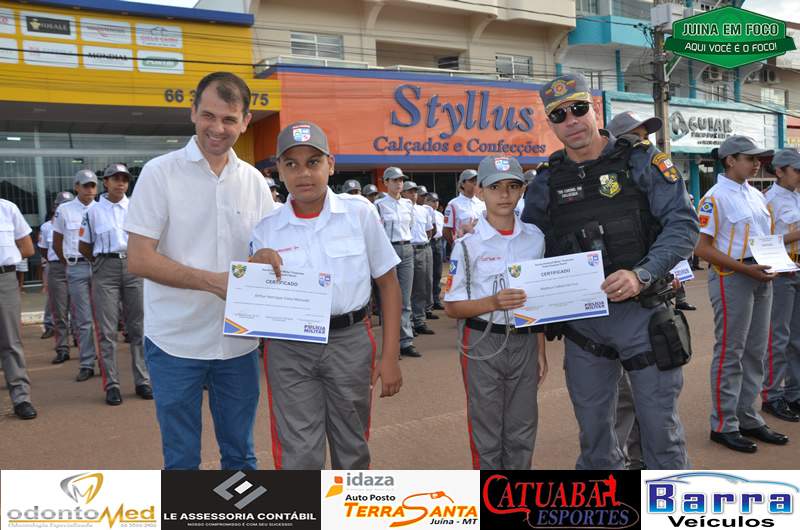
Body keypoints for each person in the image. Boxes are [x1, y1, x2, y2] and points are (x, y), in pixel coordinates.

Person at [522, 73, 698, 469]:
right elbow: (530, 246)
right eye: (559, 115)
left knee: (660, 435)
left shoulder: (642, 160)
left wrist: (642, 273)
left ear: (595, 109)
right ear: (551, 124)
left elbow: (683, 225)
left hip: (643, 315)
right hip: (584, 327)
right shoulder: (546, 181)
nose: (572, 120)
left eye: (579, 109)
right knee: (596, 441)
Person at [125, 71, 274, 469]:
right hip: (174, 342)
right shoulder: (160, 172)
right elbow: (139, 258)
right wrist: (213, 283)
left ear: (245, 122)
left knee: (241, 456)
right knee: (181, 460)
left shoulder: (255, 181)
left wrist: (270, 259)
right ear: (192, 112)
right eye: (208, 115)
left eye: (229, 119)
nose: (217, 128)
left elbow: (266, 250)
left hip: (238, 343)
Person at [250, 121, 402, 469]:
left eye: (313, 162)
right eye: (292, 164)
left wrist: (390, 355)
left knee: (352, 447)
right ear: (279, 171)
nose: (303, 173)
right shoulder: (266, 228)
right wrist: (255, 265)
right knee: (299, 453)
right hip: (289, 348)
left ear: (330, 165)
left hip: (349, 342)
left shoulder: (359, 212)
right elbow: (256, 300)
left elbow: (389, 284)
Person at [444, 155, 547, 469]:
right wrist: (494, 302)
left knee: (523, 426)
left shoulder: (535, 238)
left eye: (512, 186)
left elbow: (538, 300)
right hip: (482, 342)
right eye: (495, 187)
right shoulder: (467, 245)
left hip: (525, 341)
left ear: (522, 190)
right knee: (486, 429)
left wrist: (540, 349)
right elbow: (452, 306)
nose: (504, 194)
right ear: (479, 191)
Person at [694, 135, 790, 453]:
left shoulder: (756, 195)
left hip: (761, 273)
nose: (757, 163)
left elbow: (766, 238)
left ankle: (748, 417)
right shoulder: (714, 197)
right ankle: (723, 424)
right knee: (731, 351)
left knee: (756, 351)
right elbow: (702, 248)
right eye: (750, 158)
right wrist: (745, 268)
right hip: (732, 275)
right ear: (730, 160)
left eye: (758, 158)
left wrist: (777, 262)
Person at [78, 163, 151, 406]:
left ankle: (142, 380)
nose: (121, 183)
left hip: (133, 266)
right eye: (115, 178)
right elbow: (84, 246)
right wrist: (101, 264)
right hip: (105, 267)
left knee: (138, 327)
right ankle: (112, 384)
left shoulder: (136, 208)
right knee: (107, 329)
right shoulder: (93, 211)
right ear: (106, 182)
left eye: (125, 179)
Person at [761, 149, 800, 422]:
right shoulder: (768, 200)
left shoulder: (797, 196)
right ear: (779, 171)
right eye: (796, 170)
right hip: (782, 272)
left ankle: (794, 393)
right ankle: (772, 395)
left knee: (797, 339)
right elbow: (765, 241)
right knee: (779, 338)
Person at [53, 170, 98, 382]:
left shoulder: (102, 208)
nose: (90, 189)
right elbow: (57, 242)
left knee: (105, 319)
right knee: (84, 319)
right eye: (85, 185)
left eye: (93, 185)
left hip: (99, 268)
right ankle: (87, 363)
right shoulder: (64, 209)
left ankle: (106, 362)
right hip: (77, 267)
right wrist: (69, 264)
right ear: (76, 187)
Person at [375, 167, 421, 358]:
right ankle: (391, 344)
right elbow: (377, 232)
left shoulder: (408, 204)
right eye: (394, 180)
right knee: (389, 299)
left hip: (407, 249)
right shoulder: (379, 205)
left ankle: (406, 342)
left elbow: (410, 226)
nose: (399, 183)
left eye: (401, 180)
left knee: (405, 299)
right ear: (385, 182)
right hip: (389, 250)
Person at [0, 198, 37, 419]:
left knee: (10, 341)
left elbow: (27, 248)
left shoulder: (7, 209)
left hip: (4, 279)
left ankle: (21, 398)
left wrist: (9, 259)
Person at [40, 192, 76, 354]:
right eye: (61, 204)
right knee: (60, 311)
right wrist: (57, 261)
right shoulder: (47, 227)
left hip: (76, 265)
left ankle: (80, 341)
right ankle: (62, 348)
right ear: (55, 207)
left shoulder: (79, 221)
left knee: (79, 310)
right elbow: (43, 249)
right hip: (57, 268)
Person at [403, 180, 435, 336]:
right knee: (407, 289)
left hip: (423, 249)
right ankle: (408, 324)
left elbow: (429, 231)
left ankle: (419, 320)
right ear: (403, 193)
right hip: (408, 249)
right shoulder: (401, 208)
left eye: (415, 191)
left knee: (422, 287)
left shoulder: (424, 210)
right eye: (410, 191)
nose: (413, 194)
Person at [443, 169, 485, 244]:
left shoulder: (482, 204)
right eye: (471, 181)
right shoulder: (453, 204)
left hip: (482, 246)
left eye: (476, 181)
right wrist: (456, 245)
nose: (475, 183)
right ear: (462, 184)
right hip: (464, 246)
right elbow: (446, 231)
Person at [425, 192, 446, 311]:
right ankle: (428, 302)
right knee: (427, 274)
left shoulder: (440, 215)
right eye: (432, 201)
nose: (435, 203)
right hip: (428, 242)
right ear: (426, 201)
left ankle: (436, 299)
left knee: (437, 273)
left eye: (437, 201)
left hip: (438, 243)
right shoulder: (423, 212)